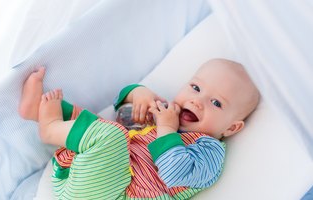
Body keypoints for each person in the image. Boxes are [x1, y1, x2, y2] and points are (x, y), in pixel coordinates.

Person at [19, 58, 260, 199]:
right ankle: (36, 111)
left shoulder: (209, 150)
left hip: (119, 194)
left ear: (231, 128)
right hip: (85, 175)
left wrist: (166, 128)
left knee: (110, 134)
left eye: (216, 103)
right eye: (196, 88)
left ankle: (50, 129)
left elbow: (175, 174)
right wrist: (138, 94)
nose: (197, 101)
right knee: (102, 125)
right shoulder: (165, 112)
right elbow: (122, 115)